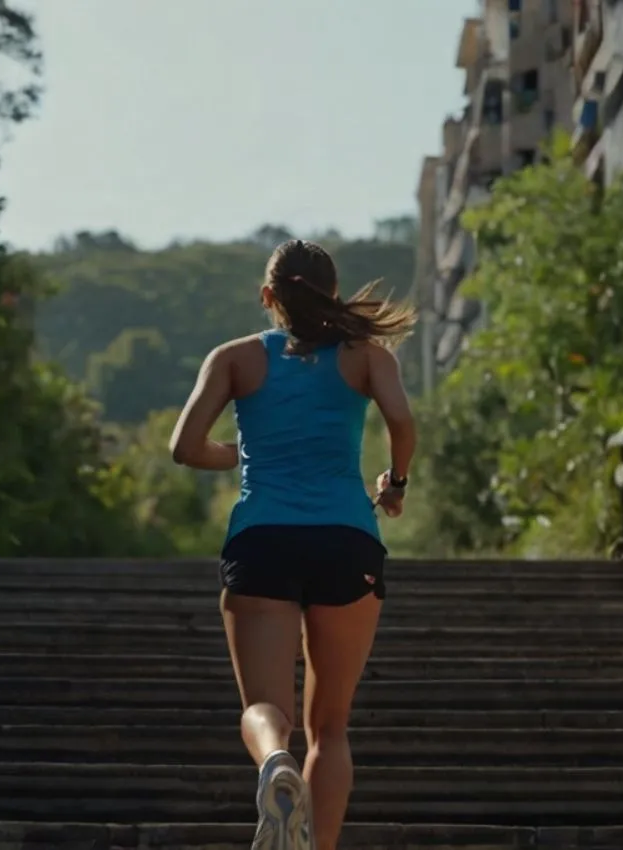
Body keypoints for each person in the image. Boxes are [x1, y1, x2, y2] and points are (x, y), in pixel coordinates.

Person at [169, 238, 417, 850]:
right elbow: (402, 422)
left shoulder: (233, 358)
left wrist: (253, 452)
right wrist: (396, 483)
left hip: (262, 541)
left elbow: (184, 447)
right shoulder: (366, 356)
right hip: (346, 541)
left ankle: (274, 761)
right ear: (333, 296)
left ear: (267, 297)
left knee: (264, 709)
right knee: (330, 729)